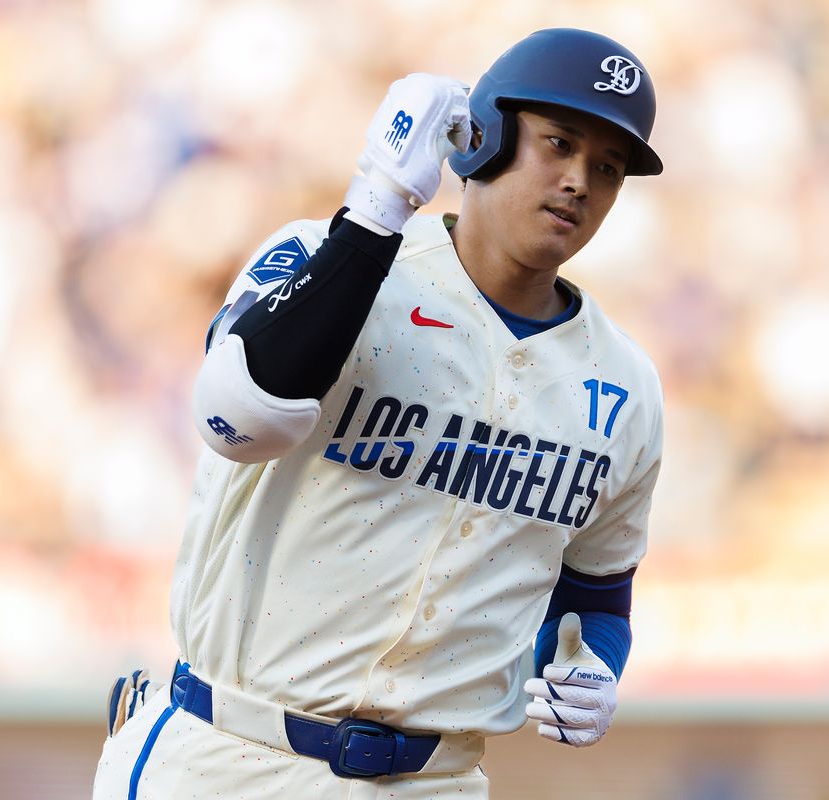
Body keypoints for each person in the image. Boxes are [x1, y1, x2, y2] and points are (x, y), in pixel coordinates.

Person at [93, 27, 664, 800]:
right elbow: (238, 417)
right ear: (482, 138)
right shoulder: (328, 257)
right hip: (231, 755)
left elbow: (596, 596)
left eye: (608, 167)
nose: (578, 182)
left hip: (438, 779)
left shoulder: (625, 385)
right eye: (557, 144)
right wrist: (378, 203)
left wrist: (594, 663)